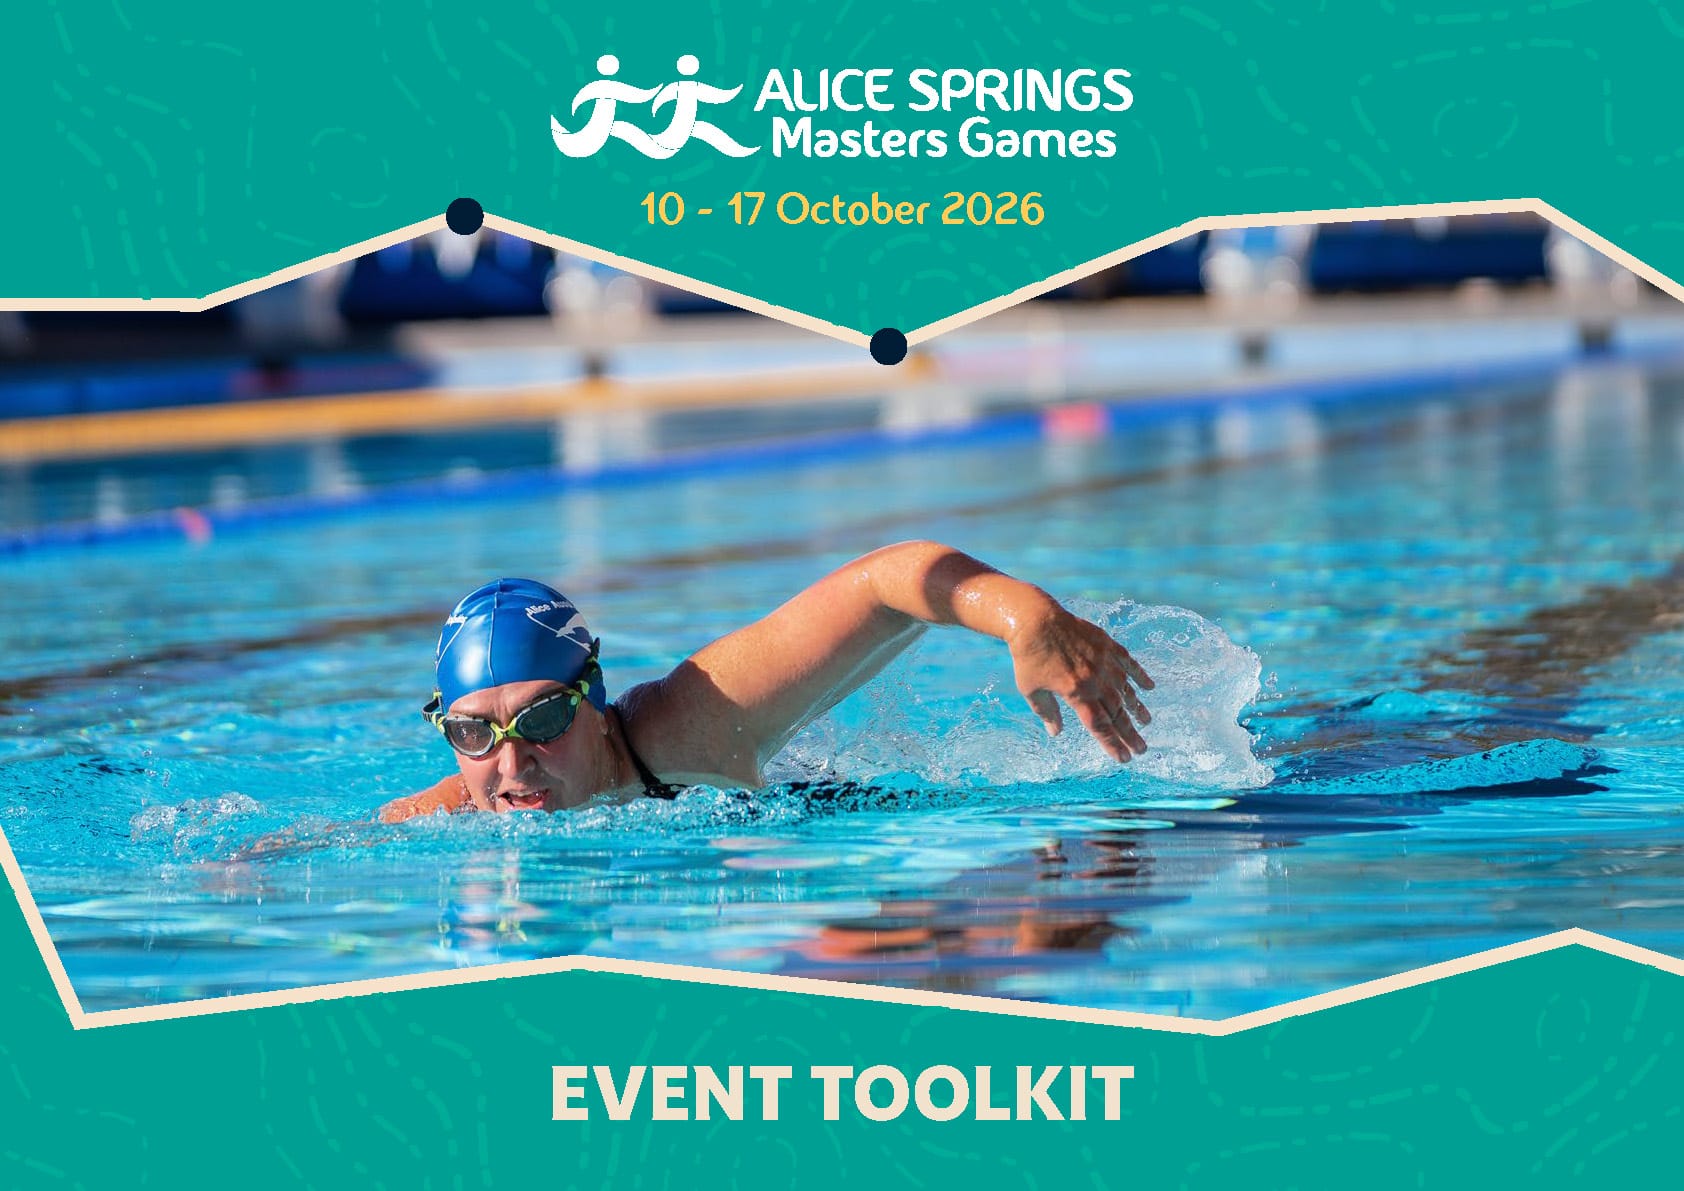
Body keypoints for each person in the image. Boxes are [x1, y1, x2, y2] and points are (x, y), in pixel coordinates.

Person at [378, 540, 1154, 823]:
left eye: (541, 718)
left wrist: (1026, 618)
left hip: (830, 808)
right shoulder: (472, 806)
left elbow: (883, 585)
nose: (511, 767)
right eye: (474, 731)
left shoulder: (698, 718)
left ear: (596, 697)